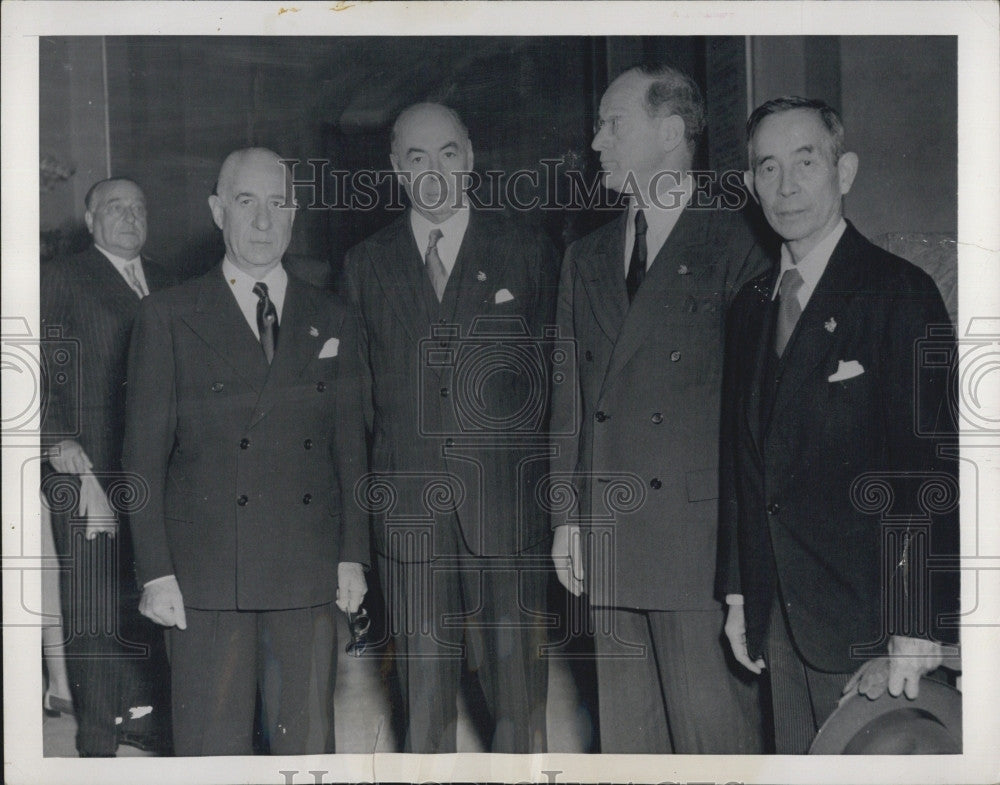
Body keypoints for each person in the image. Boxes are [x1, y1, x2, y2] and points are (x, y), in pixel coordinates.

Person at [717, 96, 960, 753]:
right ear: (750, 185)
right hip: (779, 618)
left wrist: (914, 625)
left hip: (867, 623)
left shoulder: (898, 293)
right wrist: (740, 592)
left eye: (806, 161)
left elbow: (928, 470)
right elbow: (741, 461)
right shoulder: (748, 306)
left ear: (844, 171)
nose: (787, 185)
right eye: (768, 168)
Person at [548, 64, 767, 754]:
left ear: (671, 133)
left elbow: (754, 420)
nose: (595, 141)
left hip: (697, 550)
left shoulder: (742, 242)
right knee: (628, 748)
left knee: (713, 744)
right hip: (610, 539)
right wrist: (567, 517)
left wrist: (741, 567)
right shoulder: (583, 256)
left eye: (614, 124)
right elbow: (569, 402)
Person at [122, 147, 369, 756]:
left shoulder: (331, 312)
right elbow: (142, 459)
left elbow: (349, 447)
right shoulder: (168, 315)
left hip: (307, 573)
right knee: (212, 752)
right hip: (205, 580)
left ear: (296, 211)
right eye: (245, 201)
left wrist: (351, 557)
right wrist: (156, 572)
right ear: (216, 211)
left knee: (307, 749)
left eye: (278, 201)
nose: (263, 220)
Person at [343, 102, 559, 753]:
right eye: (415, 156)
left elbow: (558, 391)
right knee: (424, 710)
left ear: (470, 156)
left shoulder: (530, 251)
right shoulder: (364, 265)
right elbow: (353, 413)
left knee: (519, 705)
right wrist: (353, 537)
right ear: (394, 168)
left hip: (507, 515)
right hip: (408, 523)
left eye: (446, 152)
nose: (432, 170)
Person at [41, 177, 175, 756]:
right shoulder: (63, 278)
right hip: (87, 468)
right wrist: (56, 441)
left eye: (138, 207)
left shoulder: (170, 283)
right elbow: (26, 360)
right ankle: (97, 738)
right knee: (94, 605)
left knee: (153, 593)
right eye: (115, 207)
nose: (128, 217)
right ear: (90, 219)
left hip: (162, 470)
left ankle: (143, 718)